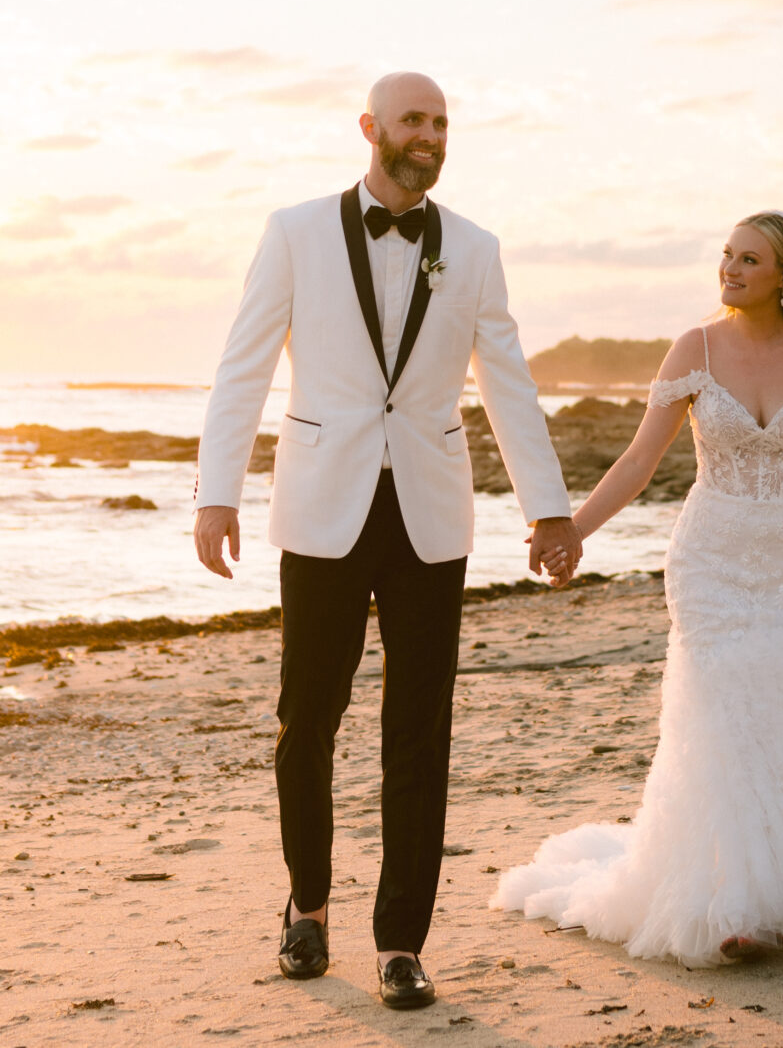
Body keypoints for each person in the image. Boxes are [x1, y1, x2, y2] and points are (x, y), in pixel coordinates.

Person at [193, 71, 581, 1010]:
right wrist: (216, 494)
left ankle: (402, 940)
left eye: (442, 121)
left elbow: (509, 381)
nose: (430, 134)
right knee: (306, 721)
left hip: (430, 515)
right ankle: (309, 908)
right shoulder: (294, 232)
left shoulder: (477, 249)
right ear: (370, 127)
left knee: (420, 730)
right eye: (414, 118)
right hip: (321, 508)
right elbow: (243, 364)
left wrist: (550, 506)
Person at [489, 211, 783, 965]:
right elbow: (641, 460)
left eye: (750, 259)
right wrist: (571, 527)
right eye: (727, 255)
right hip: (711, 564)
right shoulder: (695, 349)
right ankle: (742, 905)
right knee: (728, 727)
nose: (730, 269)